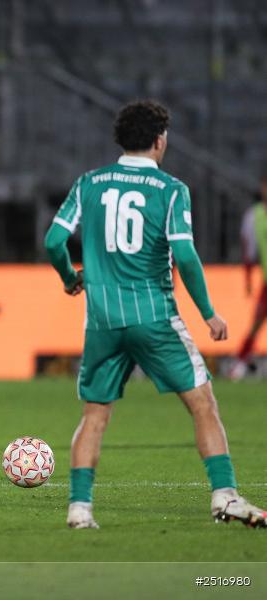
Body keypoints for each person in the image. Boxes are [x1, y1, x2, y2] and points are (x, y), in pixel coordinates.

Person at [44, 99, 266, 529]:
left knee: (95, 415)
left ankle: (79, 509)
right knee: (203, 404)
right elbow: (184, 254)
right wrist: (208, 313)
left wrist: (69, 278)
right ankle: (225, 496)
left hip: (103, 321)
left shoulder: (88, 183)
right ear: (160, 140)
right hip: (154, 318)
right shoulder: (170, 190)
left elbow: (54, 241)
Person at [230, 172, 267, 380]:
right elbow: (249, 251)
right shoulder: (255, 216)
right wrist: (248, 279)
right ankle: (240, 363)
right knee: (256, 323)